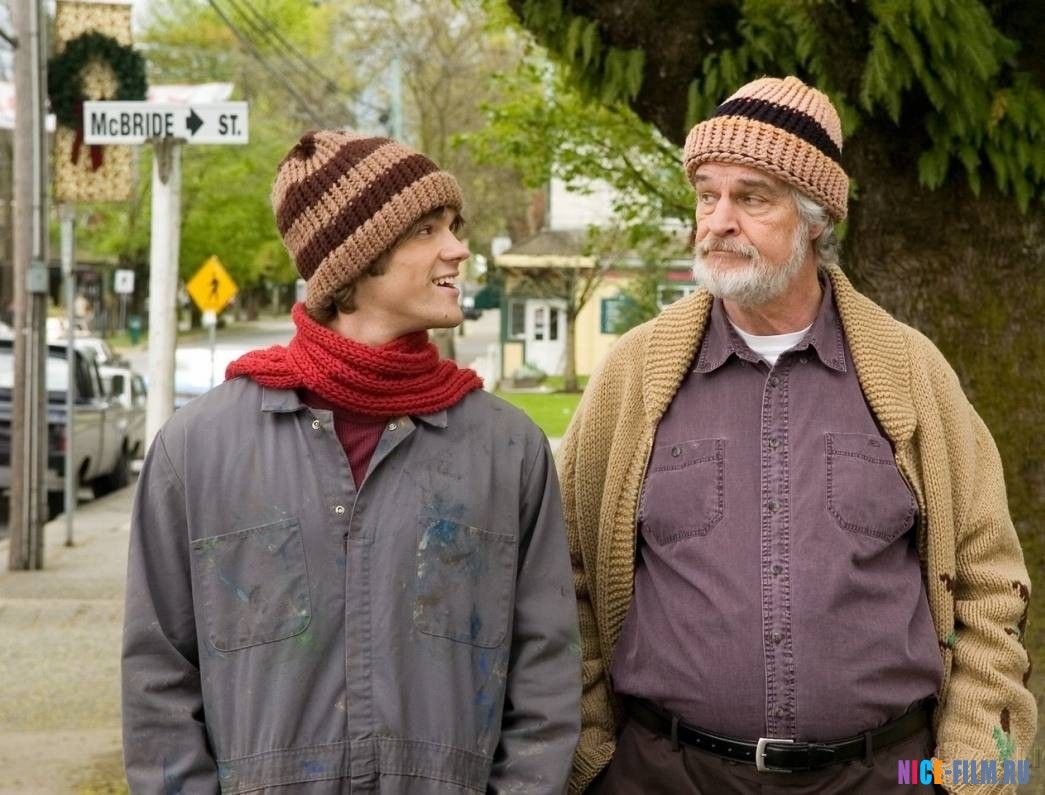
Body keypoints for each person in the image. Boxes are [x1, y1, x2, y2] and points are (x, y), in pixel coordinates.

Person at [557, 77, 1035, 793]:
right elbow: (566, 577)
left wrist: (969, 770)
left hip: (886, 773)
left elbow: (989, 583)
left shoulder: (909, 373)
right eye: (707, 195)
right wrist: (593, 756)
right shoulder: (635, 375)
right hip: (665, 772)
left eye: (751, 198)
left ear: (815, 218)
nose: (718, 221)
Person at [122, 130, 580, 793]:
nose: (458, 248)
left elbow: (546, 677)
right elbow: (157, 681)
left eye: (453, 227)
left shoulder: (507, 450)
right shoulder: (198, 449)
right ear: (355, 261)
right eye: (426, 229)